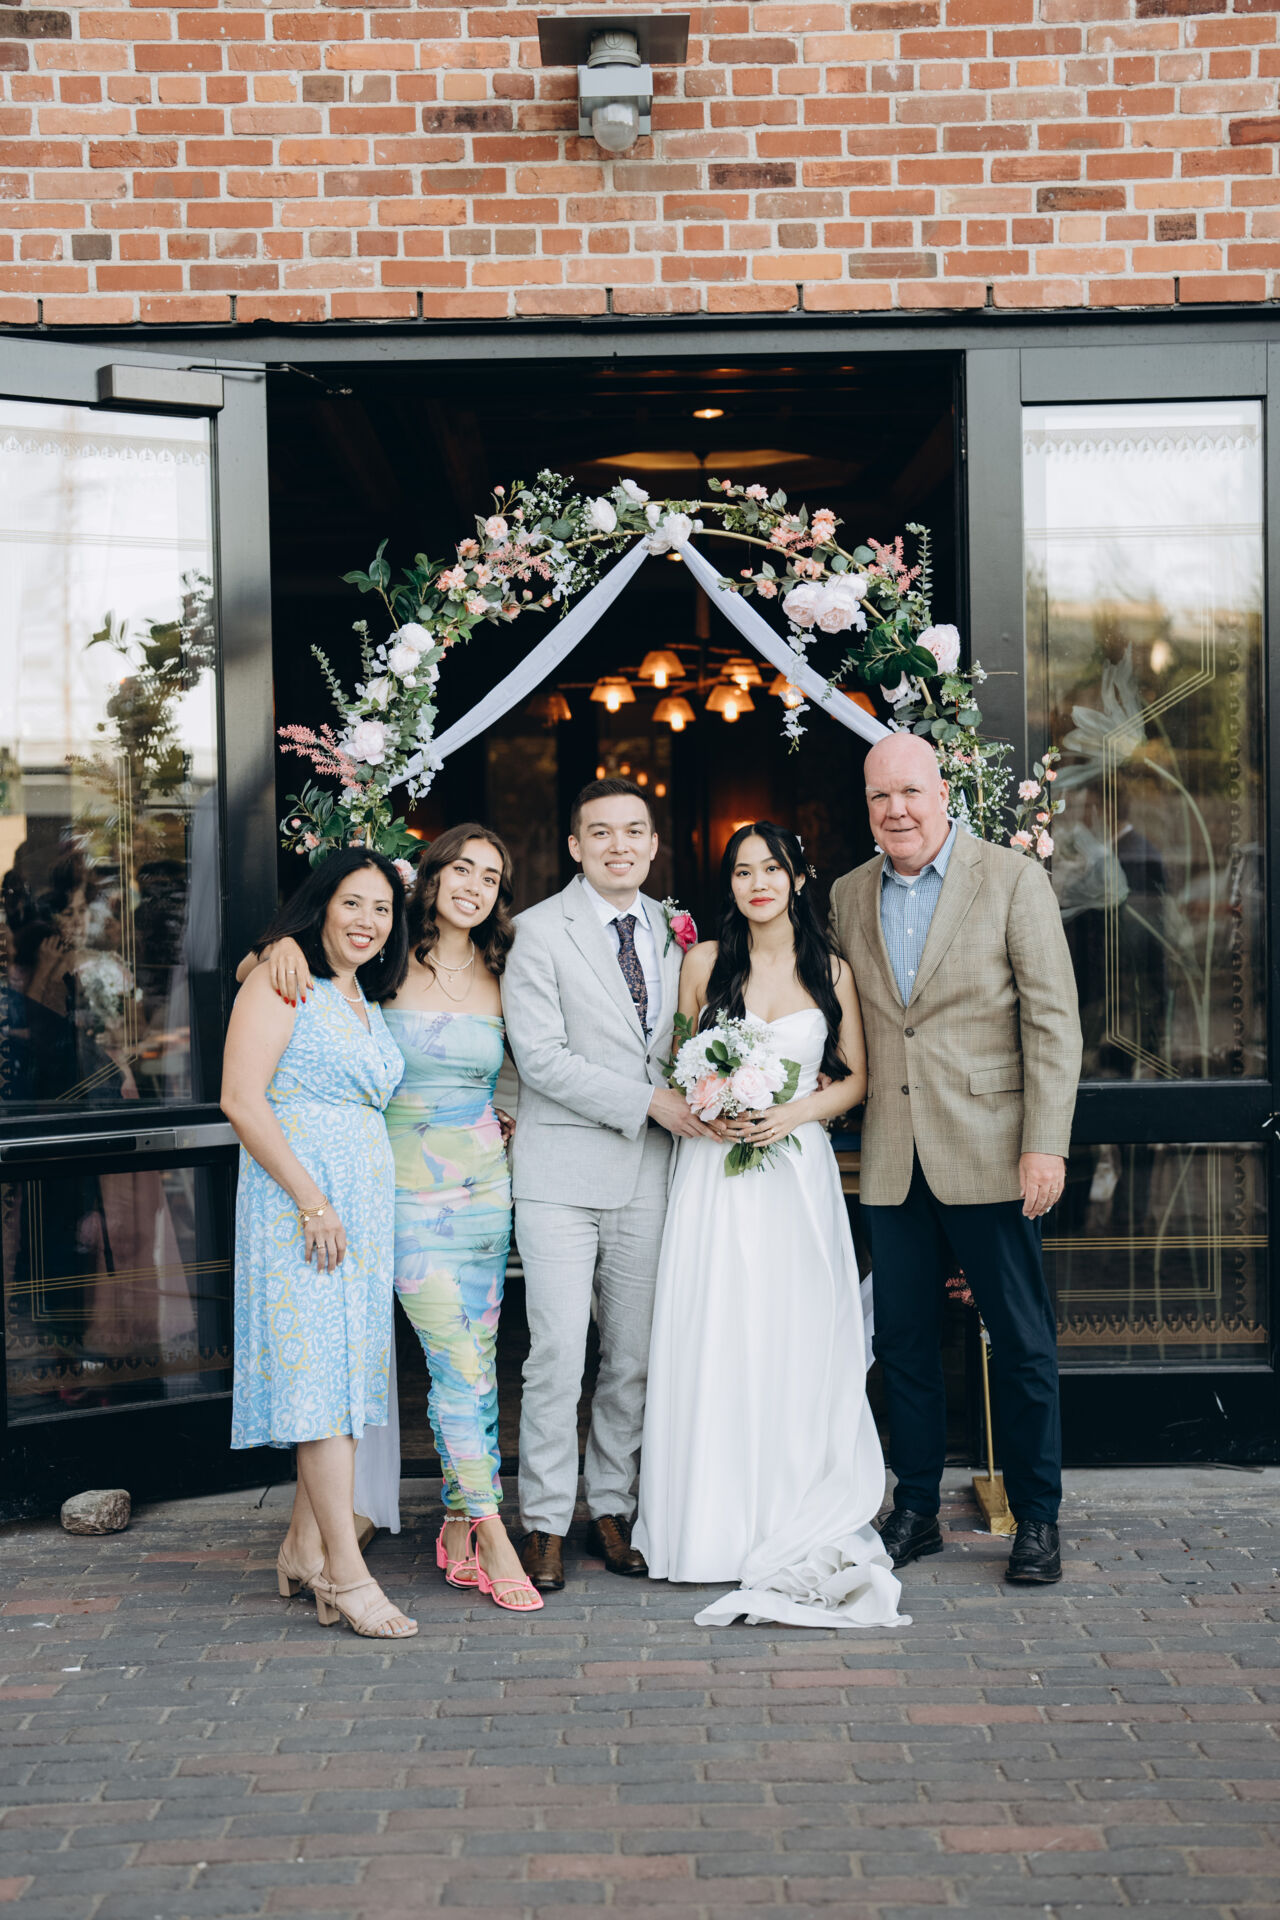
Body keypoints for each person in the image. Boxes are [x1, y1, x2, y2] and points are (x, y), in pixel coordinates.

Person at [245, 827, 540, 1614]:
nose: (474, 885)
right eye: (461, 868)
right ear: (432, 878)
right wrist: (274, 946)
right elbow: (279, 982)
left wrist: (501, 1116)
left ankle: (454, 1523)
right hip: (396, 1195)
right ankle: (491, 1529)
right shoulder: (385, 960)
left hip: (483, 1193)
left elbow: (530, 1066)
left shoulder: (507, 970)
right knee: (453, 1361)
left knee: (475, 1363)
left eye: (491, 876)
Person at [633, 822, 904, 1631]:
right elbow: (679, 1066)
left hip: (794, 1173)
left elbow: (856, 1080)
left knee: (793, 1332)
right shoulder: (705, 965)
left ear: (797, 879)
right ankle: (706, 1523)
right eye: (743, 871)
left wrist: (791, 1114)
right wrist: (709, 1104)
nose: (758, 884)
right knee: (716, 1329)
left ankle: (788, 1504)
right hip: (713, 1174)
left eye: (772, 870)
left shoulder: (833, 970)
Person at [828, 733, 1082, 1586]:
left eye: (910, 791)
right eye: (879, 797)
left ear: (943, 793)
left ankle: (1038, 1518)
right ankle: (915, 1509)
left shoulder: (1011, 879)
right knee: (902, 1343)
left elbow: (1052, 1022)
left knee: (1021, 1343)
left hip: (992, 1149)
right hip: (893, 1155)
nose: (895, 809)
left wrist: (1044, 1143)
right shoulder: (847, 894)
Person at [501, 776, 713, 1594]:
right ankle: (545, 1521)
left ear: (654, 844)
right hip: (558, 1173)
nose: (618, 845)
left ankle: (613, 1508)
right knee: (557, 1355)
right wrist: (649, 1102)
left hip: (652, 1174)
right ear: (575, 846)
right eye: (600, 832)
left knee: (633, 1357)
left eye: (633, 831)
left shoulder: (676, 928)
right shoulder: (535, 931)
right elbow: (541, 1059)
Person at [222, 848, 417, 1639]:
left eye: (382, 908)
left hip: (358, 1214)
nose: (368, 921)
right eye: (352, 903)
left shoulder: (359, 993)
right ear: (321, 906)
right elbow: (241, 1098)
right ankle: (345, 1573)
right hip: (301, 1209)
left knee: (340, 1383)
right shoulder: (284, 975)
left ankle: (302, 1549)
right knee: (318, 1390)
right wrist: (312, 1202)